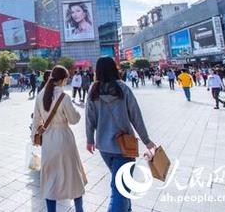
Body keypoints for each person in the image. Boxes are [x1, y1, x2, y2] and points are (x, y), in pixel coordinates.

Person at [85, 56, 156, 212]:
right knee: (120, 188)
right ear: (114, 68)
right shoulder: (122, 88)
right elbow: (135, 115)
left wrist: (90, 140)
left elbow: (89, 119)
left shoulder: (93, 90)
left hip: (104, 147)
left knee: (122, 184)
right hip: (124, 146)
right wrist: (147, 140)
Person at [31, 65, 87, 212]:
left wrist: (34, 139)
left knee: (50, 179)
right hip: (64, 139)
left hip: (48, 140)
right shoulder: (64, 97)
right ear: (62, 80)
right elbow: (74, 119)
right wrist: (77, 112)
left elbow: (36, 121)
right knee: (73, 177)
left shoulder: (40, 95)